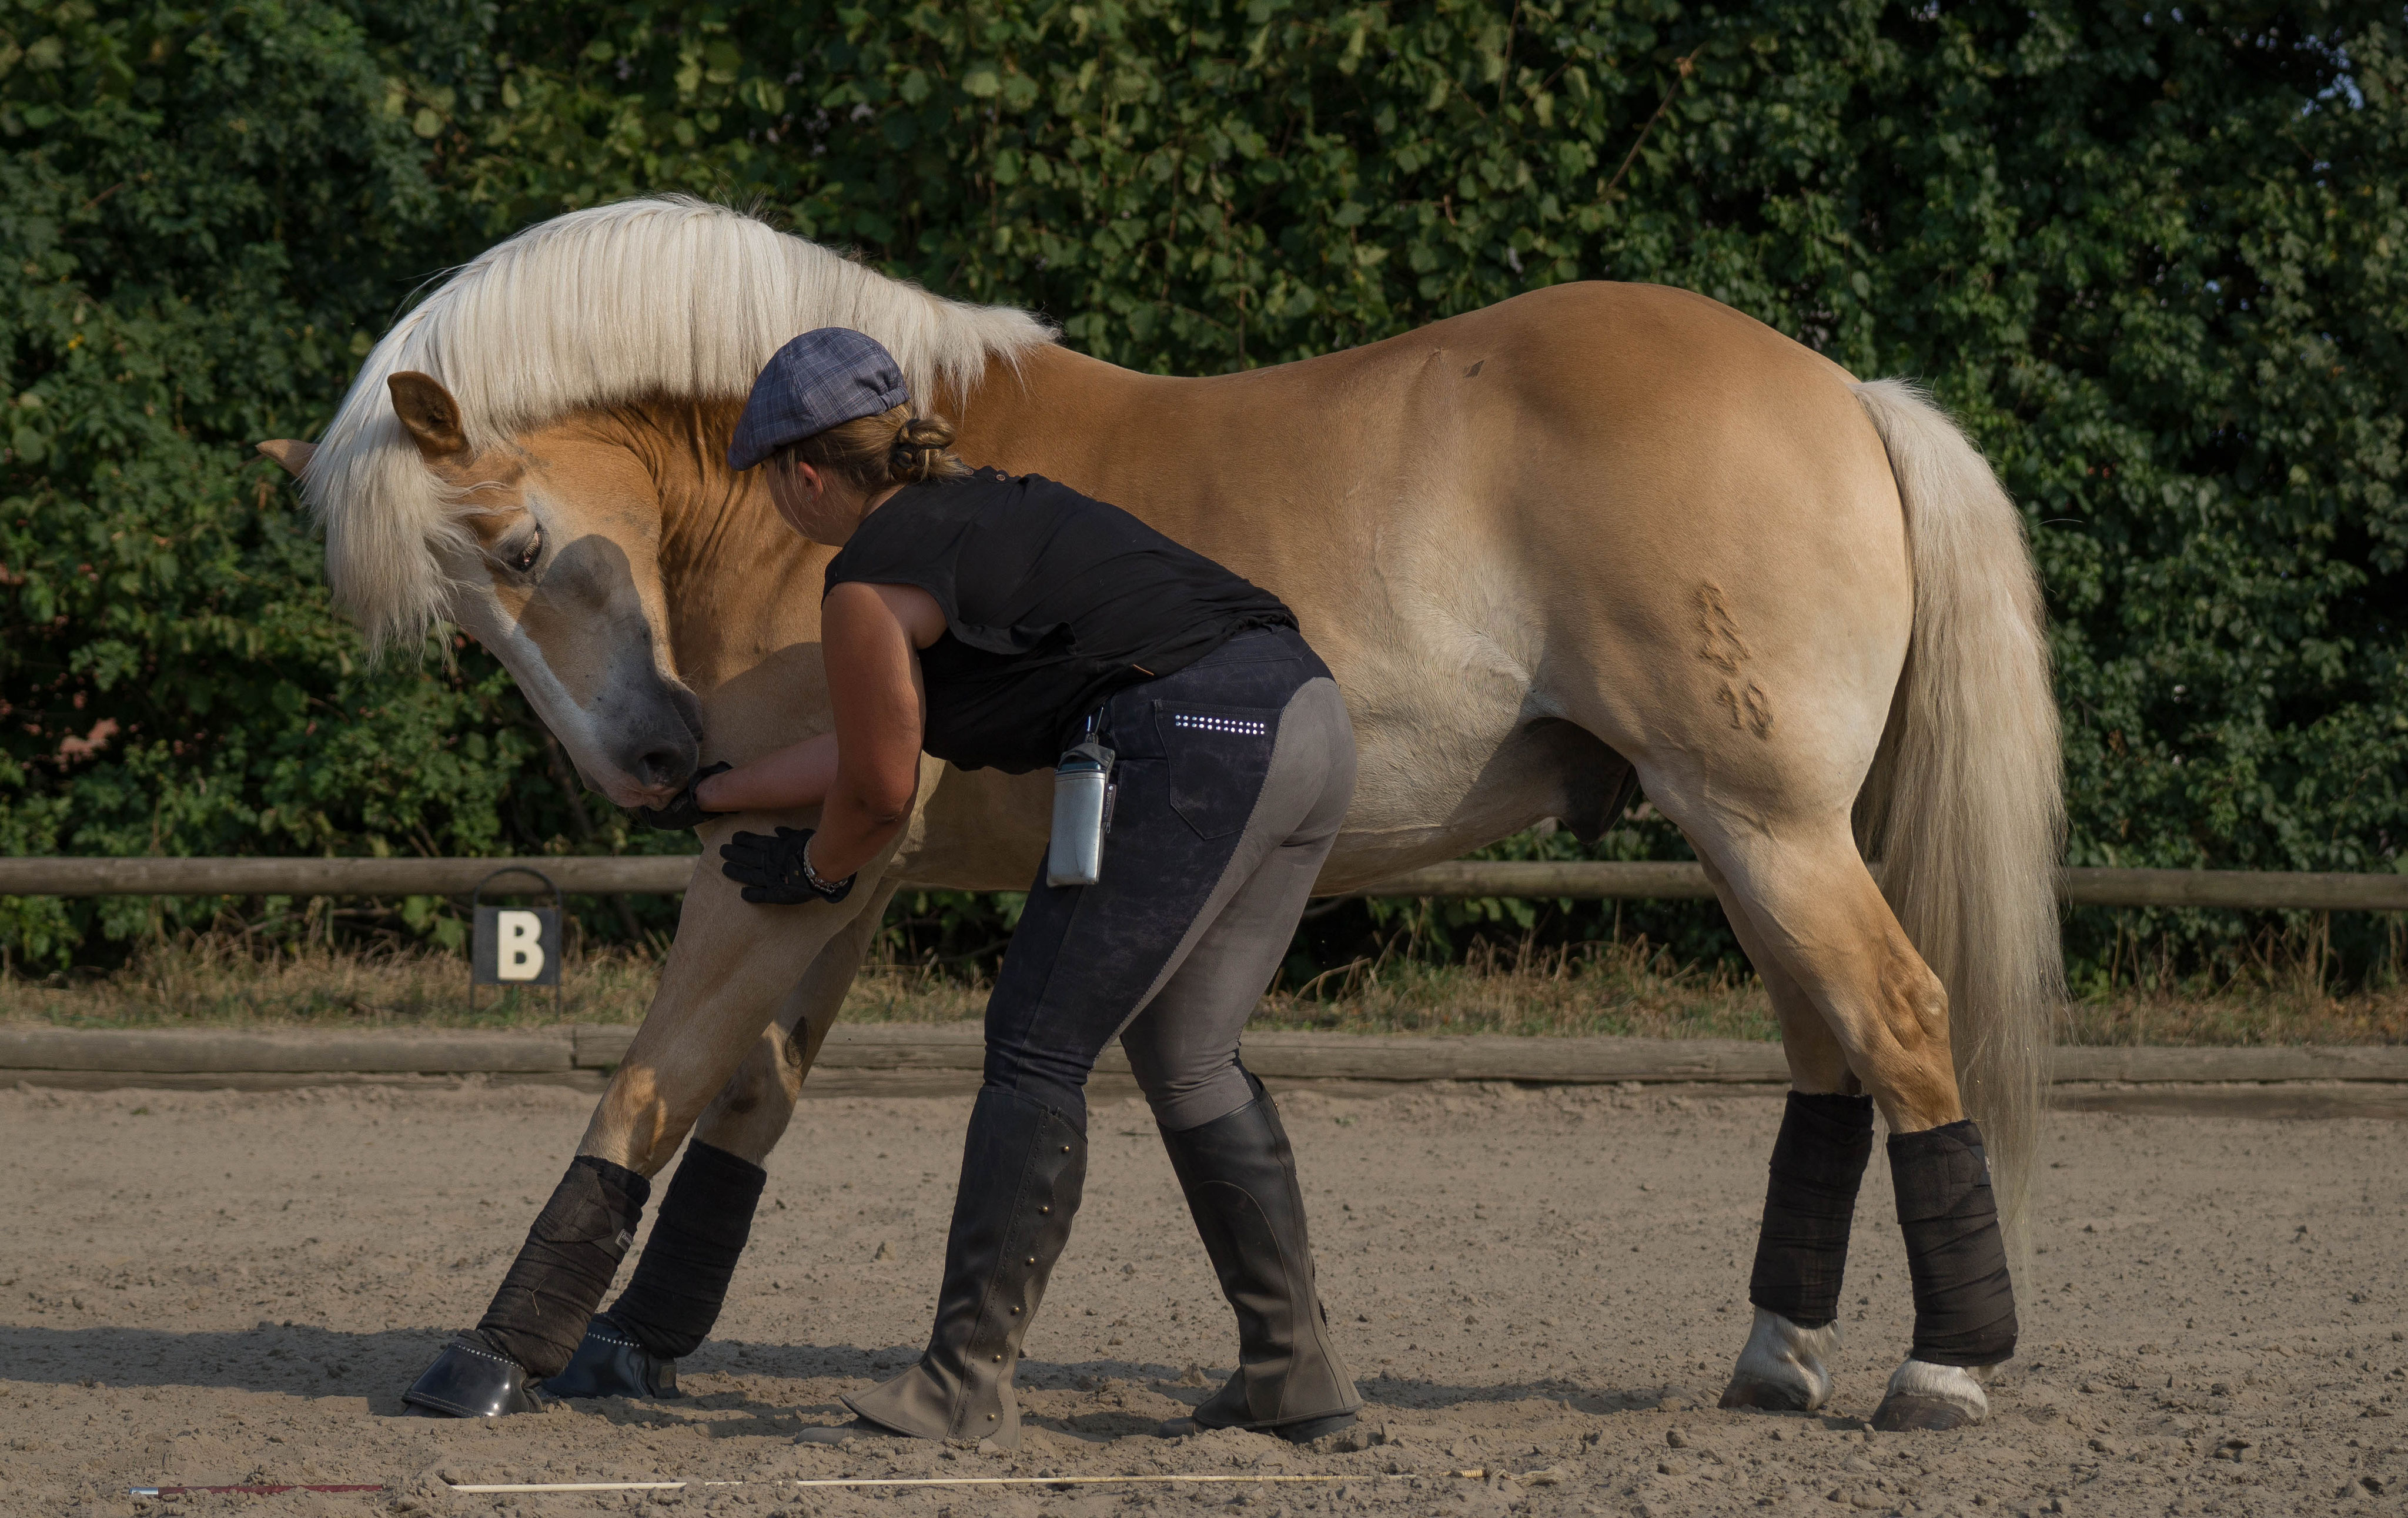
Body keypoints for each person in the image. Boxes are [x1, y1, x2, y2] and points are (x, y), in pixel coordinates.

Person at [691, 327, 1361, 1447]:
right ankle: (1294, 1376)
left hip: (1195, 739)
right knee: (1187, 1052)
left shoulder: (865, 576)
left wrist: (815, 870)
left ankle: (960, 1382)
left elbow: (879, 800)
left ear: (806, 473)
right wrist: (715, 792)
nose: (772, 507)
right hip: (1305, 718)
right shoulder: (994, 506)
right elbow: (865, 750)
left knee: (1036, 1041)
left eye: (769, 483)